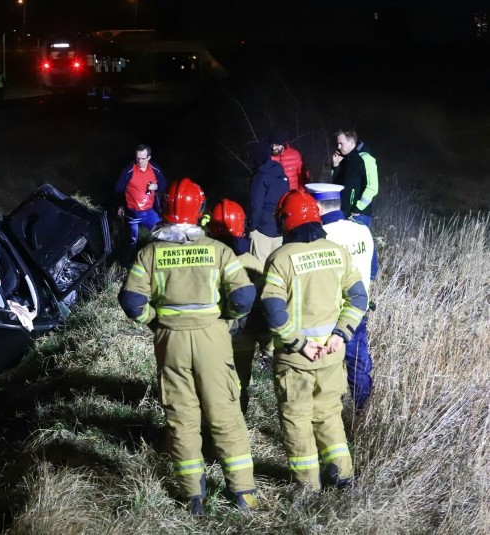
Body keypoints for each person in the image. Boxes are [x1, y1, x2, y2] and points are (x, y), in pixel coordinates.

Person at [119, 179, 260, 515]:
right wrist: (224, 318)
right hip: (213, 338)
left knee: (181, 418)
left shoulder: (150, 253)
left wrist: (155, 319)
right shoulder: (218, 250)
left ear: (166, 210)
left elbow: (132, 300)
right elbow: (243, 296)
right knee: (225, 413)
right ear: (200, 212)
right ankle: (243, 492)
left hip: (171, 341)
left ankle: (192, 495)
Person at [261, 189, 368, 491]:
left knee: (297, 419)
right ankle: (342, 475)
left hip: (296, 359)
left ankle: (308, 486)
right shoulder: (338, 252)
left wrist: (299, 343)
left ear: (286, 220)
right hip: (332, 355)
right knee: (329, 414)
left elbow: (273, 310)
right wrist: (341, 334)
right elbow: (359, 297)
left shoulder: (280, 258)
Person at [306, 183, 377, 410]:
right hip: (357, 310)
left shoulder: (320, 237)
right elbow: (373, 270)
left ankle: (326, 413)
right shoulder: (362, 230)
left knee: (325, 368)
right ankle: (361, 411)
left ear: (316, 206)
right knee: (358, 363)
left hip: (328, 313)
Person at [207, 199, 271, 415]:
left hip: (207, 336)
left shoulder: (204, 257)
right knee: (238, 384)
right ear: (242, 227)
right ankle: (236, 427)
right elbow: (263, 307)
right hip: (241, 339)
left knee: (207, 383)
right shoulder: (253, 263)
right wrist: (267, 345)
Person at [114, 144, 167, 251]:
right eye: (137, 158)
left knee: (162, 234)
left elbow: (164, 183)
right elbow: (118, 189)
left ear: (149, 158)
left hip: (149, 212)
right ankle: (130, 259)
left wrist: (156, 187)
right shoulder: (129, 170)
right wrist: (120, 206)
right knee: (132, 241)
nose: (139, 161)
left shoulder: (155, 169)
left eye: (143, 158)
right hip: (132, 212)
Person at [247, 141, 290, 264]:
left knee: (259, 269)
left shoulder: (260, 177)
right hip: (278, 229)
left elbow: (256, 205)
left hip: (262, 230)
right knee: (276, 268)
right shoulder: (283, 176)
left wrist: (251, 227)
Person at [331, 130, 379, 228]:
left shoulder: (366, 159)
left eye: (341, 143)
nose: (338, 147)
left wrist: (357, 208)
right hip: (344, 213)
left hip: (359, 216)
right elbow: (336, 185)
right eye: (337, 144)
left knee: (362, 243)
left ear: (352, 142)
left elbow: (372, 187)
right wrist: (335, 165)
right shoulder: (345, 159)